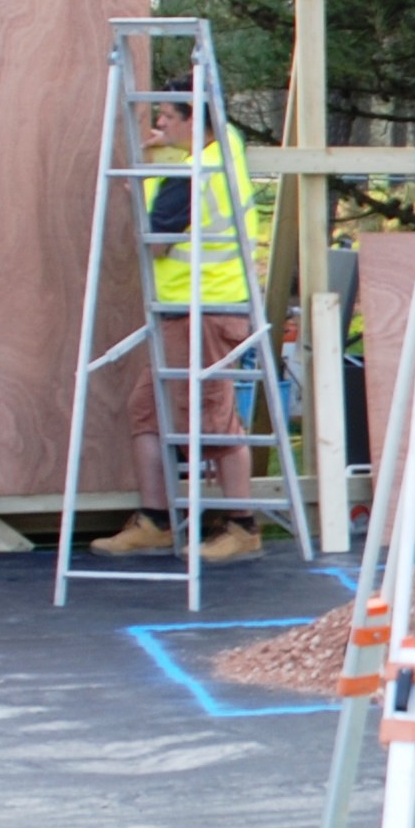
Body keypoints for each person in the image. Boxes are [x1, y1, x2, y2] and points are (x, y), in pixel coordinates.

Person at [91, 90, 273, 564]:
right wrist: (162, 153)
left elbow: (153, 243)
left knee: (212, 419)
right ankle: (156, 520)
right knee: (147, 412)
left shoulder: (185, 179)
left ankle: (242, 526)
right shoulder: (224, 145)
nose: (159, 125)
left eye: (168, 117)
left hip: (205, 308)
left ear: (196, 121)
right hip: (190, 308)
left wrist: (145, 183)